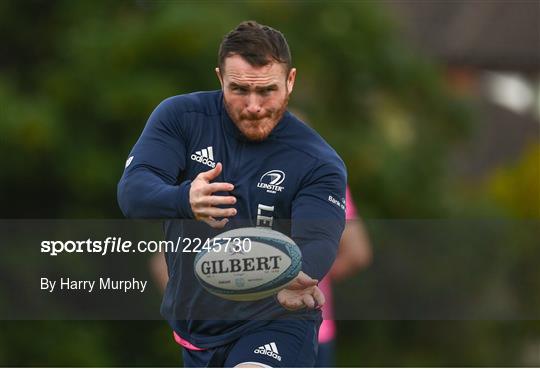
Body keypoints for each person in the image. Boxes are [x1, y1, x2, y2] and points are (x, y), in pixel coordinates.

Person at [118, 21, 346, 367]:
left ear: (290, 81)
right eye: (239, 89)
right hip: (197, 331)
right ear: (219, 79)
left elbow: (320, 236)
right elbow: (133, 192)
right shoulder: (181, 118)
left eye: (267, 90)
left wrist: (301, 273)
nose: (254, 105)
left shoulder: (317, 161)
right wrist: (184, 200)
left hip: (277, 322)